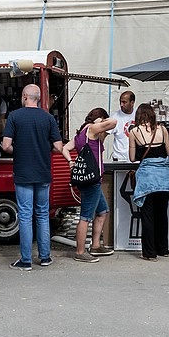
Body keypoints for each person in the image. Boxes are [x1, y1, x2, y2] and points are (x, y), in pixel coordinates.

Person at [1, 84, 64, 270]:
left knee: (26, 215)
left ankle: (26, 260)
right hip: (43, 172)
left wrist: (19, 150)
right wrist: (45, 150)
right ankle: (45, 257)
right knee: (43, 214)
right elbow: (59, 146)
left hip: (23, 172)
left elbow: (6, 146)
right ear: (37, 98)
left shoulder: (15, 116)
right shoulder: (48, 118)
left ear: (24, 96)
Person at [62, 108, 117, 262]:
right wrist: (102, 122)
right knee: (85, 217)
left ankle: (96, 245)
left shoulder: (80, 134)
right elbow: (113, 122)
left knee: (103, 211)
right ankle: (80, 252)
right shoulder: (92, 128)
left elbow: (65, 148)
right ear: (99, 118)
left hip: (92, 180)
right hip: (91, 180)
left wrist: (70, 161)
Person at [128, 103, 169, 261]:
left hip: (147, 179)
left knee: (147, 216)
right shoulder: (162, 130)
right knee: (162, 214)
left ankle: (150, 252)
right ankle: (163, 249)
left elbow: (132, 158)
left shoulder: (134, 132)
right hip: (163, 178)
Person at [108, 91, 135, 162]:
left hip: (136, 159)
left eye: (124, 102)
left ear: (132, 103)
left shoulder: (139, 115)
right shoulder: (115, 117)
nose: (121, 105)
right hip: (120, 159)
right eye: (120, 102)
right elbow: (103, 134)